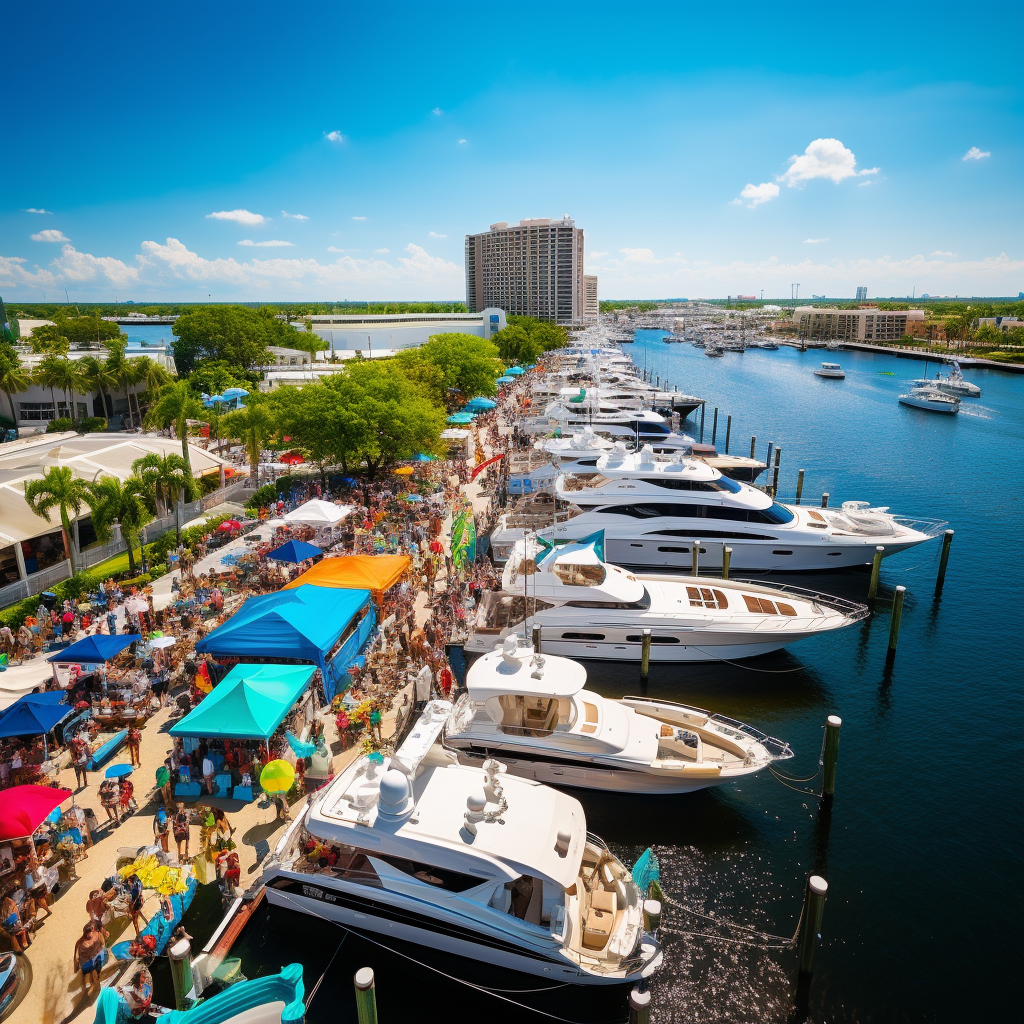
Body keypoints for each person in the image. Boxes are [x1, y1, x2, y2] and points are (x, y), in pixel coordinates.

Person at [74, 921, 108, 996]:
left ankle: (93, 985)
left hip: (98, 956)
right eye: (88, 936)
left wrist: (102, 951)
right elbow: (77, 954)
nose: (89, 937)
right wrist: (77, 963)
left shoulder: (97, 935)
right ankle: (87, 987)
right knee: (86, 973)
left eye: (90, 935)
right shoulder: (80, 942)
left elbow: (103, 944)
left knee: (95, 973)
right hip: (87, 960)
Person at [125, 873, 147, 938]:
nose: (128, 883)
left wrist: (127, 901)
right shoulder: (136, 888)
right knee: (139, 913)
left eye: (129, 881)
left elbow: (131, 900)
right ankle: (145, 921)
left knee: (135, 921)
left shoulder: (133, 891)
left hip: (135, 905)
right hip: (138, 903)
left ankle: (138, 934)